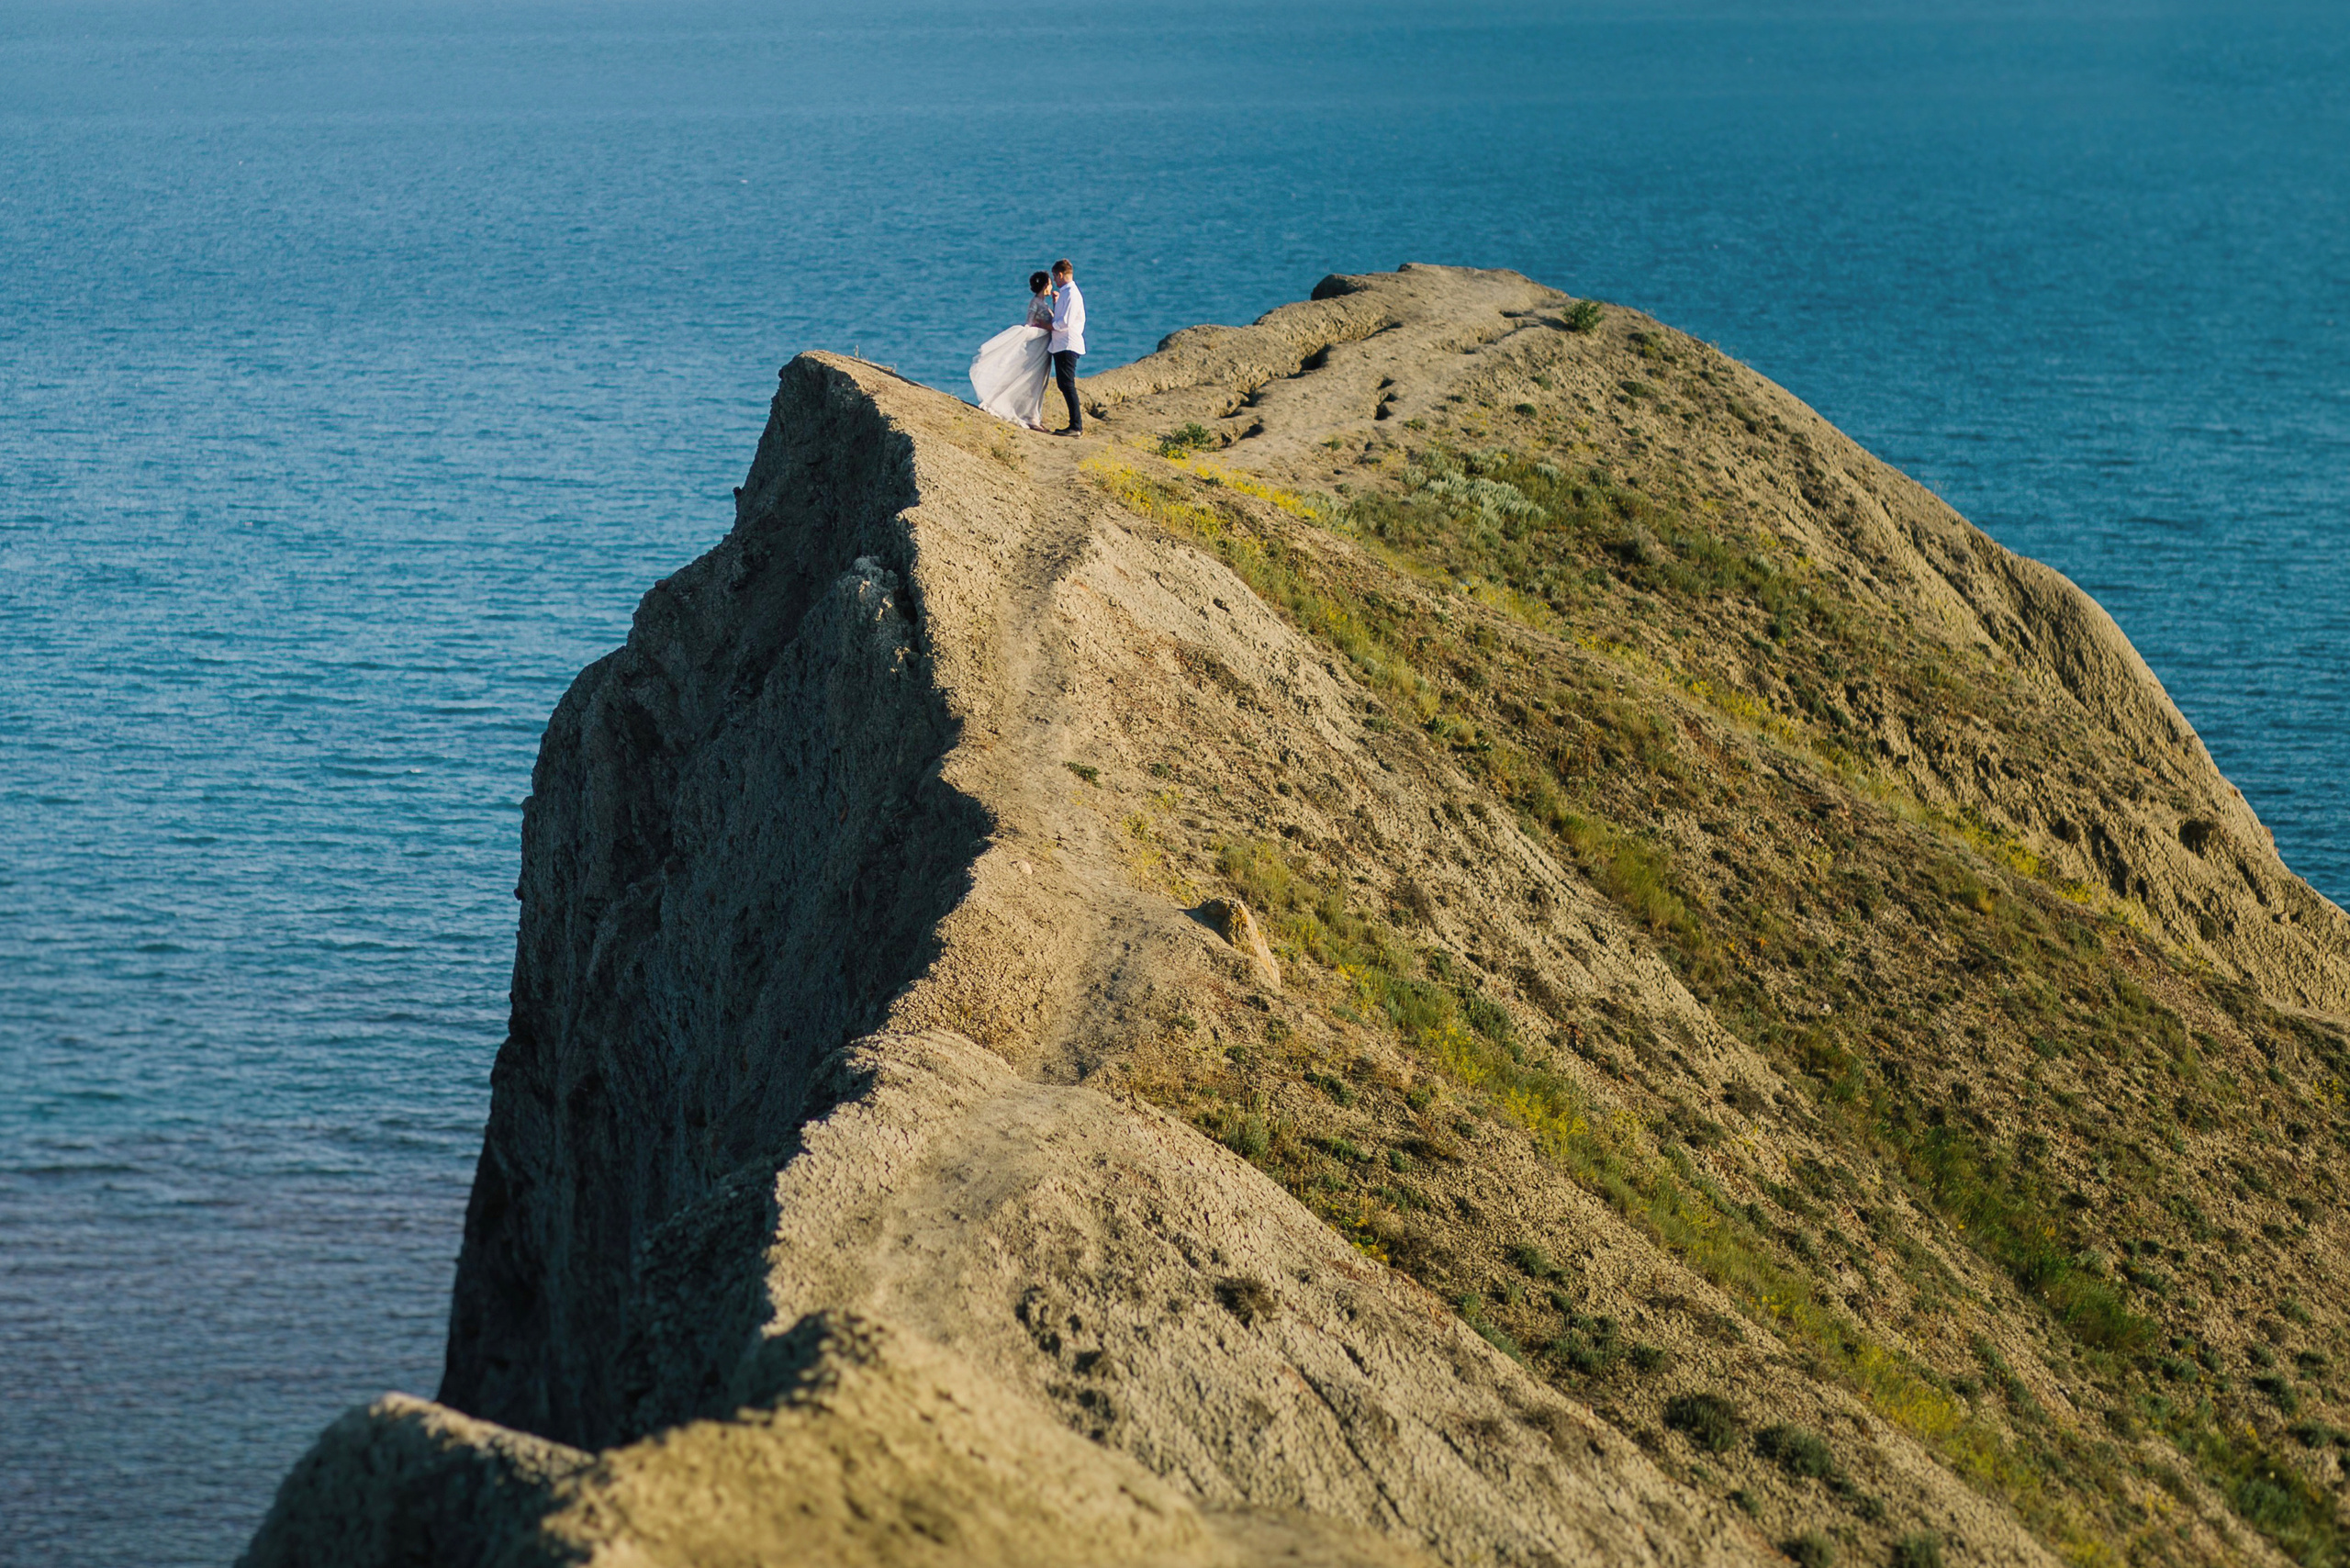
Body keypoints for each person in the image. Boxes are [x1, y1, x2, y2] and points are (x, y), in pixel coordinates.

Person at [968, 271, 1056, 429]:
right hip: (1038, 347)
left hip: (1044, 347)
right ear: (1045, 285)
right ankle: (1030, 417)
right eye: (1050, 283)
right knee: (1032, 380)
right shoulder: (1036, 302)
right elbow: (1030, 323)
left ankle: (1033, 415)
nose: (1051, 286)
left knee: (1038, 381)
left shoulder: (1043, 303)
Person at [1046, 258, 1085, 435]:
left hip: (1067, 343)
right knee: (1064, 383)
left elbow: (1065, 322)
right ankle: (1074, 424)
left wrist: (1045, 325)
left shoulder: (1071, 293)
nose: (1055, 280)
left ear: (1060, 275)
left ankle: (1076, 425)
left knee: (1067, 383)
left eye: (1055, 276)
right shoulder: (1066, 293)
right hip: (1062, 343)